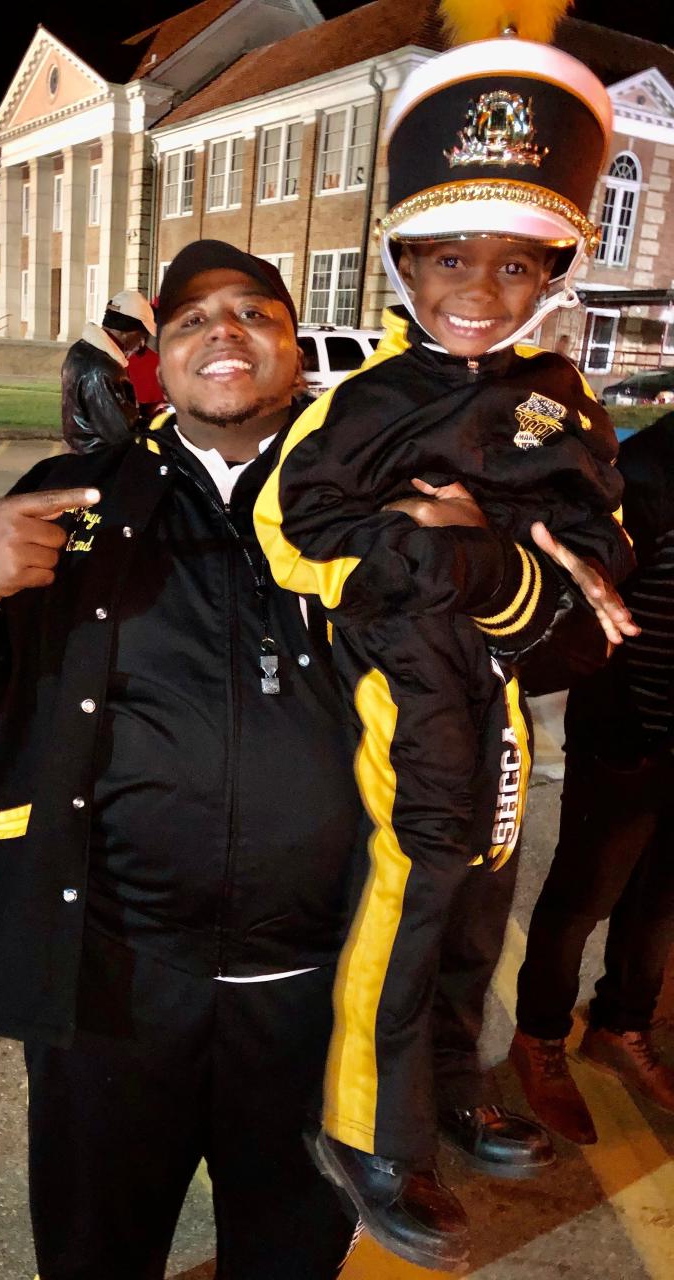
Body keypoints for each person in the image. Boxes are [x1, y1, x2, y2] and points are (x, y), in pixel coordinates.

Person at [0, 240, 364, 1280]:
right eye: (192, 319)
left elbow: (547, 652)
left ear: (296, 349)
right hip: (114, 978)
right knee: (98, 1247)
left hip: (319, 990)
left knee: (292, 1249)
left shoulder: (366, 506)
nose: (223, 332)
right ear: (159, 361)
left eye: (254, 313)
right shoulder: (76, 495)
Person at [254, 9, 637, 1271]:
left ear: (552, 280)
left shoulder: (563, 405)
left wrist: (486, 559)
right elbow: (293, 534)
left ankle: (456, 1081)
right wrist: (464, 559)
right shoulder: (363, 401)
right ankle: (366, 1125)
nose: (480, 290)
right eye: (454, 259)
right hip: (397, 692)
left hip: (505, 697)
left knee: (483, 895)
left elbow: (595, 586)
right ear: (406, 268)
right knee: (412, 895)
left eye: (517, 265)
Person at [511, 411, 674, 1143]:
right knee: (585, 894)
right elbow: (598, 603)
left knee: (661, 901)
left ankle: (620, 1026)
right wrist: (634, 724)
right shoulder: (646, 468)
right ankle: (540, 1037)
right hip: (631, 727)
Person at [60, 289, 155, 453]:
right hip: (99, 463)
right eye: (141, 336)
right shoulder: (103, 368)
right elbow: (121, 433)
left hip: (83, 458)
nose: (141, 344)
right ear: (128, 332)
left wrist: (148, 411)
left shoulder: (81, 350)